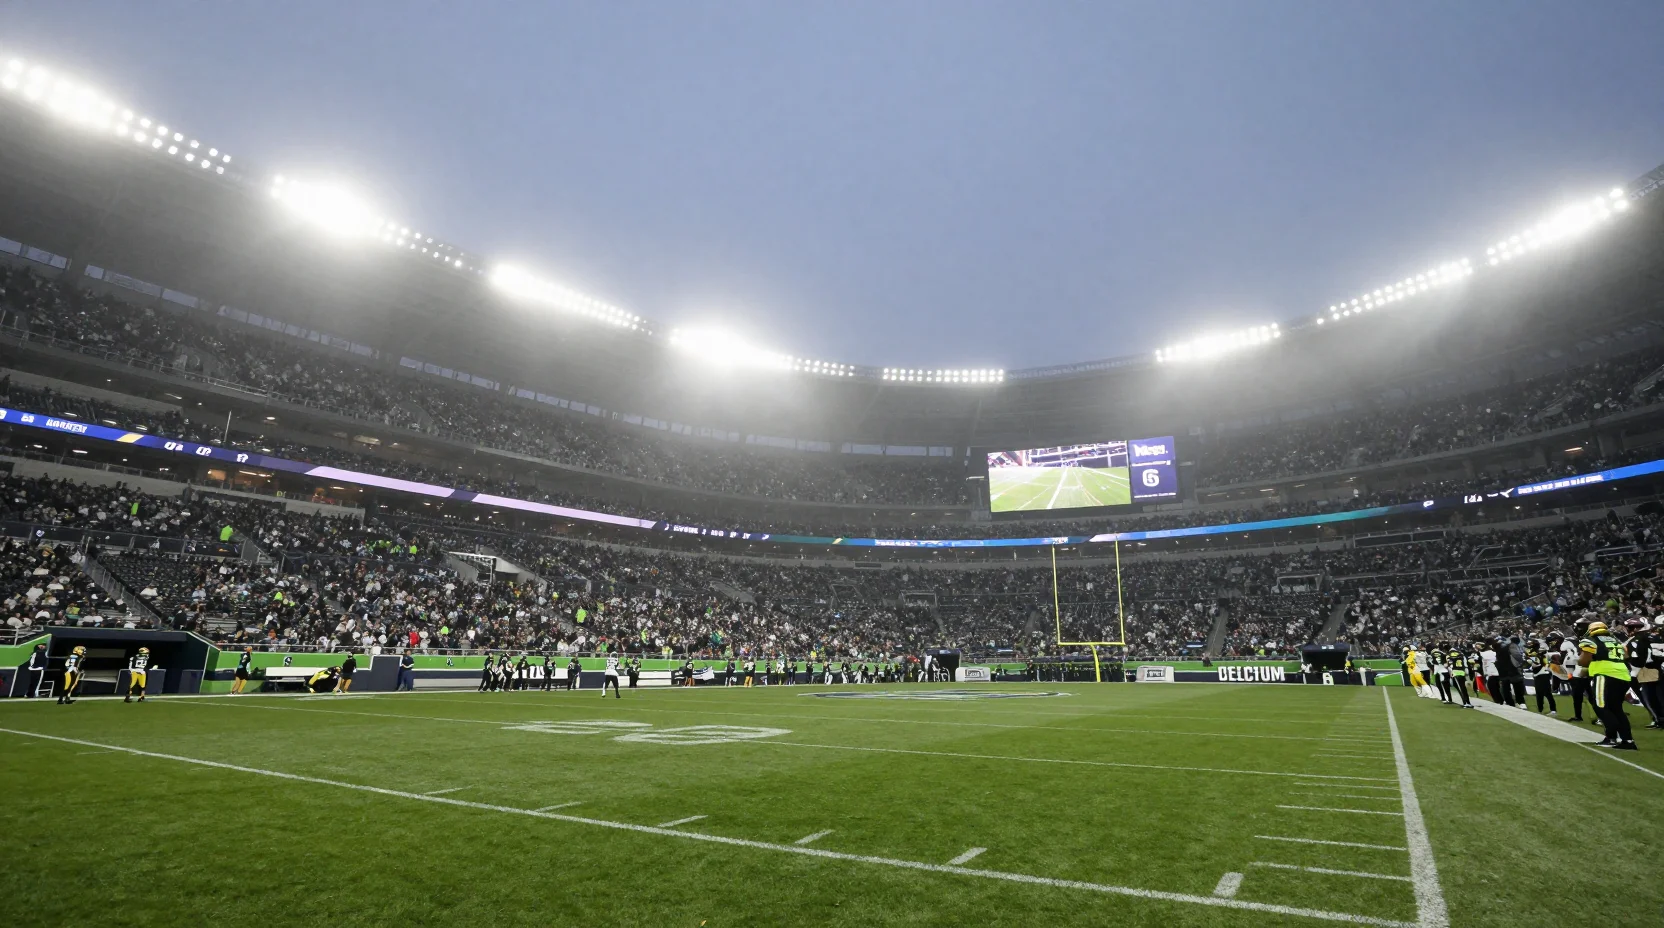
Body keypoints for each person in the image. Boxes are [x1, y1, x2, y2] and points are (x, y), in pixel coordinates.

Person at [1579, 620, 1636, 750]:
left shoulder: (1591, 640)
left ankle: (1611, 735)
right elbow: (1626, 655)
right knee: (1616, 708)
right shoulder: (1615, 640)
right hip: (1623, 675)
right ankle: (1628, 740)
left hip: (1604, 674)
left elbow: (1584, 661)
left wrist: (1581, 661)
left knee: (1600, 706)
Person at [1623, 618, 1661, 729]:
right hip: (1655, 668)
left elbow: (1636, 660)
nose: (1627, 630)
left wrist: (1632, 673)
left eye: (1629, 627)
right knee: (1655, 696)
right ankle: (1657, 718)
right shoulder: (1653, 637)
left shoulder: (1635, 640)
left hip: (1642, 670)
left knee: (1648, 698)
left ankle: (1658, 719)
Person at [1527, 641, 1558, 716]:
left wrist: (1530, 662)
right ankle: (1542, 710)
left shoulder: (1539, 655)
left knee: (1545, 693)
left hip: (1542, 675)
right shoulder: (1540, 654)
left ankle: (1552, 710)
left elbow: (1535, 665)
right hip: (1542, 675)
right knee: (1541, 694)